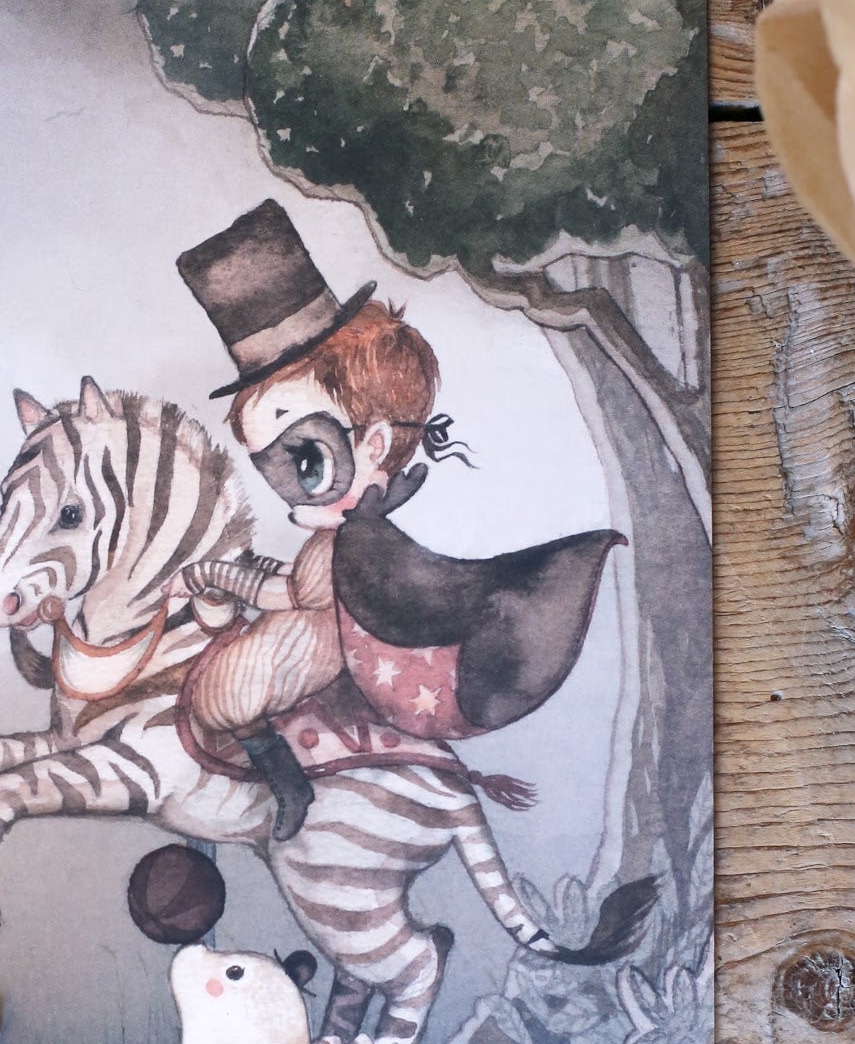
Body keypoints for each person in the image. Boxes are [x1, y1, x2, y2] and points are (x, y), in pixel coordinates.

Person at [176, 200, 623, 842]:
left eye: (305, 462)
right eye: (270, 467)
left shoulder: (358, 544)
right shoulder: (350, 536)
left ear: (376, 444)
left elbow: (294, 595)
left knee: (221, 695)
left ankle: (287, 783)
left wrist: (222, 576)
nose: (292, 502)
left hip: (343, 649)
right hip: (328, 624)